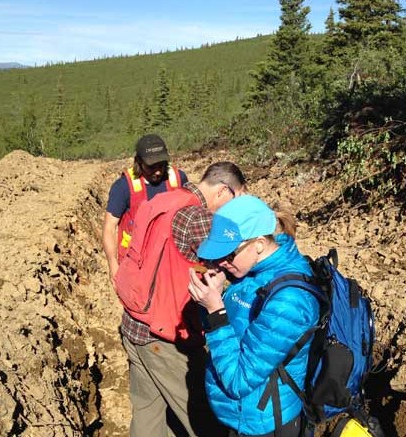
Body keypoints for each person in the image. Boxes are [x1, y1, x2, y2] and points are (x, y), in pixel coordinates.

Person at [119, 161, 246, 437]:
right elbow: (234, 265)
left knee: (147, 413)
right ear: (224, 191)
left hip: (133, 323)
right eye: (236, 201)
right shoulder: (197, 217)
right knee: (203, 418)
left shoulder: (165, 198)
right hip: (164, 337)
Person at [187, 195, 320, 437]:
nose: (221, 262)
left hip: (265, 421)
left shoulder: (289, 301)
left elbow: (239, 380)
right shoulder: (250, 271)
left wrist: (215, 312)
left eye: (229, 254)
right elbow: (231, 328)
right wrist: (213, 298)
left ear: (258, 243)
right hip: (241, 415)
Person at [102, 134, 188, 286]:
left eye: (161, 165)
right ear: (139, 162)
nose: (157, 172)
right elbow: (109, 227)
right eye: (151, 167)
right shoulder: (123, 187)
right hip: (137, 263)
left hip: (172, 260)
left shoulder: (179, 179)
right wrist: (112, 264)